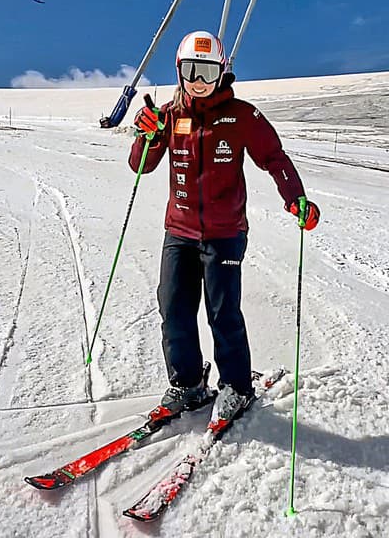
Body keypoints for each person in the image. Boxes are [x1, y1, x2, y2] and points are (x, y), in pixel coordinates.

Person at [129, 30, 320, 426]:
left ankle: (236, 386)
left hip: (225, 233)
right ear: (179, 70)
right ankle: (188, 384)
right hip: (178, 231)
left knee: (222, 312)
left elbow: (274, 157)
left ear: (223, 72)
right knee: (174, 307)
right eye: (191, 70)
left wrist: (295, 197)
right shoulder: (168, 114)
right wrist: (144, 135)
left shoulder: (242, 115)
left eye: (209, 71)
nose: (199, 80)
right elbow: (141, 165)